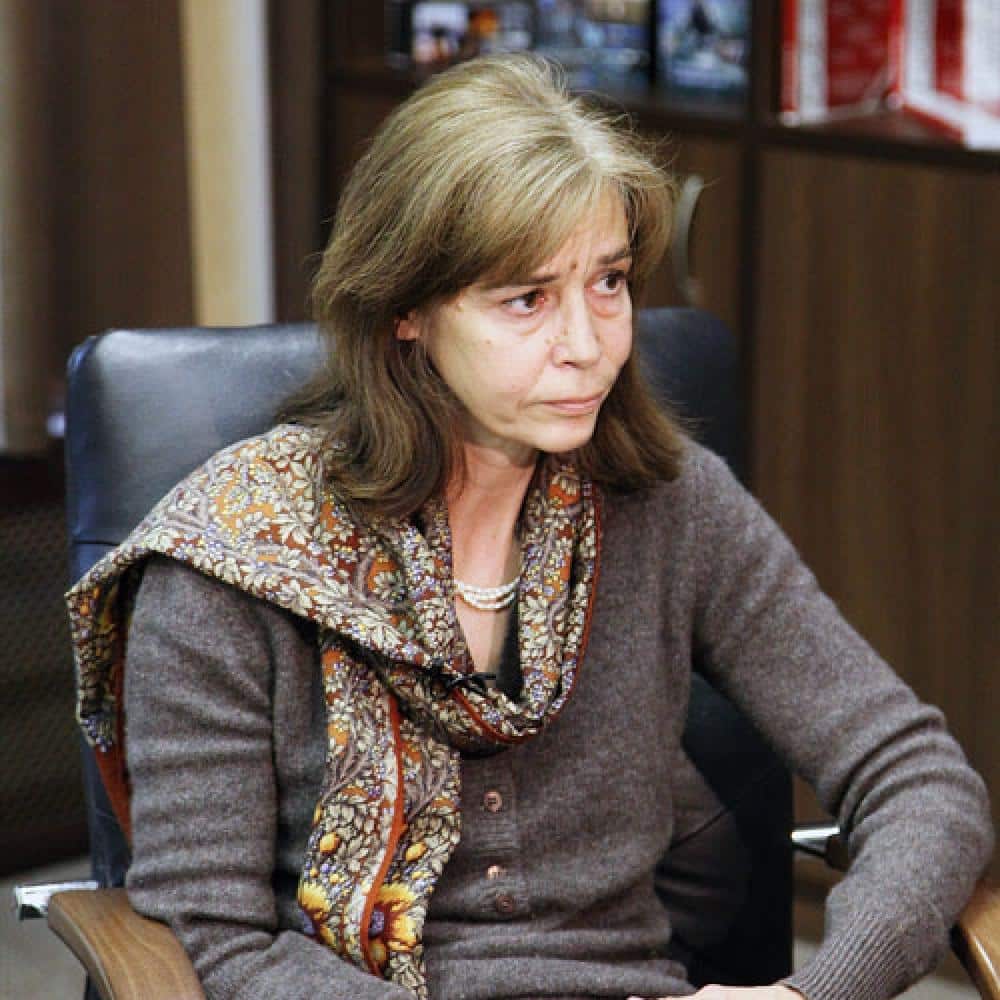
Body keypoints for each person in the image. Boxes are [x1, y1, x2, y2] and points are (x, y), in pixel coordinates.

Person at [67, 54, 992, 1000]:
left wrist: (816, 993)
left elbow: (917, 776)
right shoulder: (229, 557)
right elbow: (216, 944)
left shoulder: (669, 504)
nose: (588, 345)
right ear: (405, 311)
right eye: (527, 299)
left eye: (609, 282)